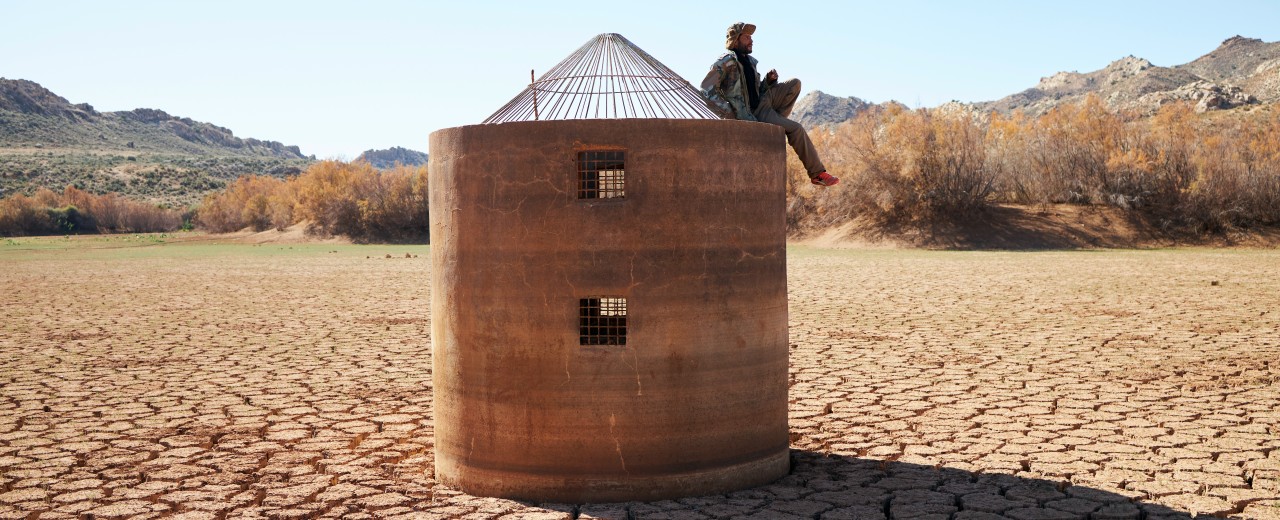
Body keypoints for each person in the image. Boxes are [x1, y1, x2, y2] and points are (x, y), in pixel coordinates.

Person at [700, 22, 839, 187]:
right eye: (747, 37)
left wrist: (768, 82)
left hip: (763, 103)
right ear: (736, 40)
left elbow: (755, 91)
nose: (751, 40)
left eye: (751, 37)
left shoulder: (750, 62)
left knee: (794, 83)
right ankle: (818, 174)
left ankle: (776, 123)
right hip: (750, 113)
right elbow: (706, 89)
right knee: (796, 128)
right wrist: (729, 112)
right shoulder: (726, 62)